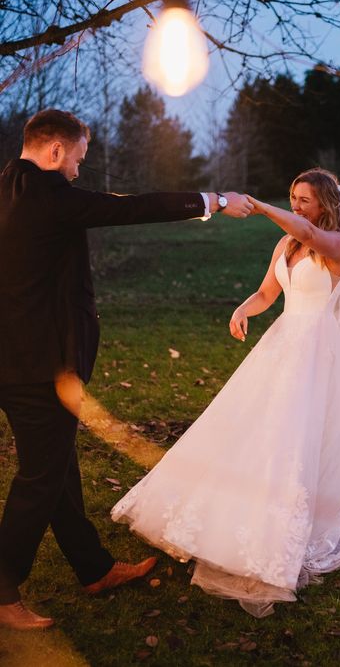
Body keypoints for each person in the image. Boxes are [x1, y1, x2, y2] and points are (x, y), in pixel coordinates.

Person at [0, 109, 254, 630]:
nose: (77, 170)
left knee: (57, 471)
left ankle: (93, 569)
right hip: (39, 366)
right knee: (40, 478)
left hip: (13, 359)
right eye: (77, 159)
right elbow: (134, 208)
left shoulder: (6, 186)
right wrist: (216, 201)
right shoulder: (51, 197)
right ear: (54, 152)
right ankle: (3, 589)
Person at [112, 168, 340, 617]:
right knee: (250, 428)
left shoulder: (336, 246)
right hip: (283, 344)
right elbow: (268, 291)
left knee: (291, 439)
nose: (296, 205)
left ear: (325, 203)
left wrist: (263, 207)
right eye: (292, 197)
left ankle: (276, 534)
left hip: (315, 353)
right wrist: (243, 308)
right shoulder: (287, 244)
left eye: (304, 198)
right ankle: (225, 514)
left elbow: (308, 230)